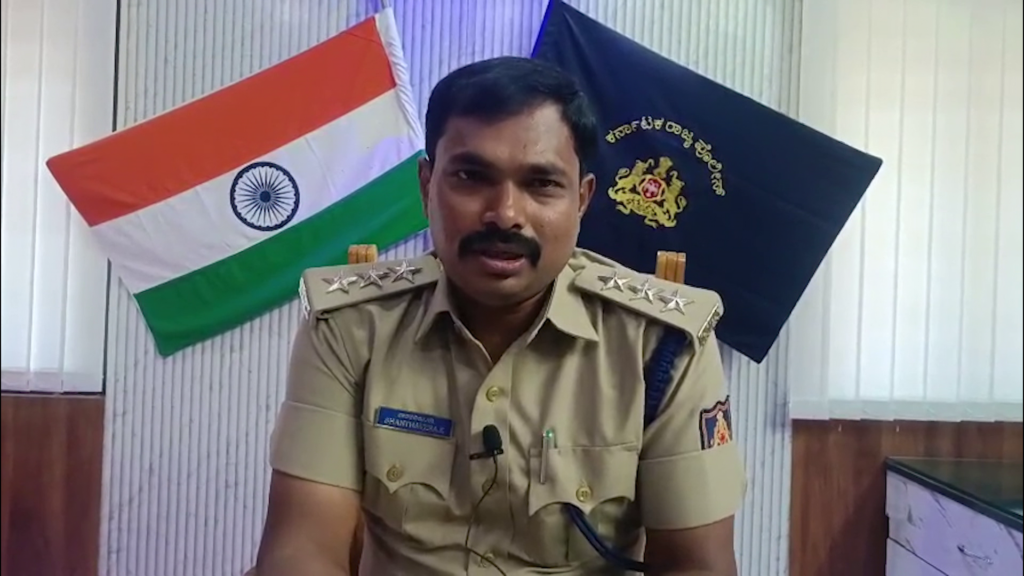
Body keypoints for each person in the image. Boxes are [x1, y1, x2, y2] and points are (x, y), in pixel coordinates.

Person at [252, 56, 746, 576]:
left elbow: (697, 566)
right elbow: (302, 547)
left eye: (541, 183)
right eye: (471, 177)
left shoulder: (661, 344)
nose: (505, 214)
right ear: (426, 185)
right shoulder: (351, 327)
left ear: (581, 200)